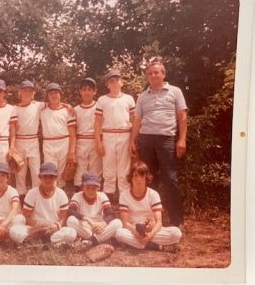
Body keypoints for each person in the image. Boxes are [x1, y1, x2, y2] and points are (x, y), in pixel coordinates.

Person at [129, 56, 187, 227]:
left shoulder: (175, 92)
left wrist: (182, 139)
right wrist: (133, 140)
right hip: (146, 140)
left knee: (170, 179)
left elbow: (182, 117)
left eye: (156, 73)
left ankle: (176, 221)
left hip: (166, 139)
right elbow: (137, 121)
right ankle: (151, 220)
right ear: (147, 76)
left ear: (163, 74)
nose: (153, 75)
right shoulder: (142, 96)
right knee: (148, 179)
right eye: (150, 73)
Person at [115, 161, 182, 252]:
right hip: (134, 230)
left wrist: (149, 235)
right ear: (131, 178)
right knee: (119, 233)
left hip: (151, 230)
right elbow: (125, 223)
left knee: (176, 233)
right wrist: (135, 232)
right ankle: (159, 247)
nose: (139, 179)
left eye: (142, 176)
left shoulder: (153, 194)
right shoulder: (124, 195)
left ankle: (135, 244)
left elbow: (159, 223)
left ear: (146, 178)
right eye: (135, 176)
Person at [9, 162, 77, 245]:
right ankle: (48, 244)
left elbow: (64, 217)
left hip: (53, 229)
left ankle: (36, 243)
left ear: (56, 177)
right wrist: (38, 227)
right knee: (14, 229)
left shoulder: (61, 194)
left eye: (51, 176)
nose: (48, 179)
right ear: (39, 177)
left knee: (71, 232)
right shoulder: (32, 193)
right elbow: (25, 216)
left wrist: (56, 226)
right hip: (35, 228)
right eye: (45, 176)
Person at [95, 70, 135, 204]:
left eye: (117, 80)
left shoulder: (129, 98)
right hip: (108, 136)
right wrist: (98, 142)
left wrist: (134, 140)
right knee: (108, 172)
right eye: (111, 81)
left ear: (121, 82)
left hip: (125, 135)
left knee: (124, 172)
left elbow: (134, 120)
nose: (114, 83)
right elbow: (97, 122)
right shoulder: (102, 100)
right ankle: (109, 205)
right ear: (107, 84)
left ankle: (125, 204)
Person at [67, 171, 122, 246]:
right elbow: (70, 210)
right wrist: (86, 218)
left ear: (98, 188)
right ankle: (99, 239)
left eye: (93, 188)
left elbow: (110, 214)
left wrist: (103, 224)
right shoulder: (77, 196)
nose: (90, 191)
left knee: (118, 223)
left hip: (99, 227)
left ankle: (92, 240)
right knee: (71, 220)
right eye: (87, 187)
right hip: (85, 226)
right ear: (82, 187)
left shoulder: (102, 196)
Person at [40, 83, 76, 188]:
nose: (54, 95)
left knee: (61, 173)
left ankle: (61, 198)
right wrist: (66, 104)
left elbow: (72, 133)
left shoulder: (67, 111)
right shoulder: (42, 109)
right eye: (51, 93)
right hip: (48, 144)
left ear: (60, 94)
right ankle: (50, 195)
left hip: (64, 142)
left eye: (56, 93)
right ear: (47, 96)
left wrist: (71, 151)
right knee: (50, 171)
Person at [14, 80, 45, 203]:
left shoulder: (38, 105)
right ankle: (21, 200)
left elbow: (55, 103)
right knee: (20, 172)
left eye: (30, 91)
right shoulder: (14, 108)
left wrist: (67, 105)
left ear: (33, 93)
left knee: (36, 171)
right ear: (20, 92)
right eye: (25, 90)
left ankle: (36, 200)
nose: (27, 93)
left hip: (33, 140)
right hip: (19, 140)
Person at [73, 78, 102, 193]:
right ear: (80, 91)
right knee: (80, 168)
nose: (86, 92)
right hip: (81, 141)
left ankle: (96, 194)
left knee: (96, 169)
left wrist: (100, 142)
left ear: (95, 92)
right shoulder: (75, 110)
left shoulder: (99, 107)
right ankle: (78, 194)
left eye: (90, 89)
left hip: (95, 141)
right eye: (84, 89)